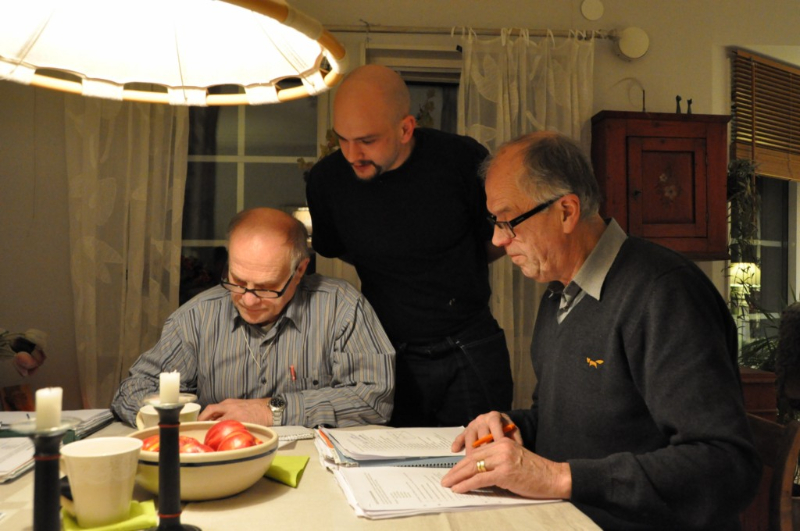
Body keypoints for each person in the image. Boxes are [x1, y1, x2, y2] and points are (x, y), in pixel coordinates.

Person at [440, 132, 761, 530]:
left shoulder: (665, 294)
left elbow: (725, 466)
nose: (498, 240)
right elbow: (568, 425)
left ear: (566, 211)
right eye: (494, 222)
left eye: (509, 221)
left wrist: (560, 478)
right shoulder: (559, 295)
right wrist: (510, 426)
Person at [306, 64, 513, 428]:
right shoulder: (327, 181)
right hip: (385, 351)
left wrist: (453, 264)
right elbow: (337, 247)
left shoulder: (460, 159)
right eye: (342, 139)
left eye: (367, 141)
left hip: (469, 343)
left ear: (405, 129)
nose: (352, 154)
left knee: (483, 454)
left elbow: (497, 238)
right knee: (387, 459)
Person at [111, 208, 395, 428]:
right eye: (237, 280)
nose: (247, 300)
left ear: (300, 270)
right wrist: (171, 419)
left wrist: (269, 411)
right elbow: (132, 391)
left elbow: (374, 400)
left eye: (266, 287)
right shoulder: (196, 317)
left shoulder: (341, 307)